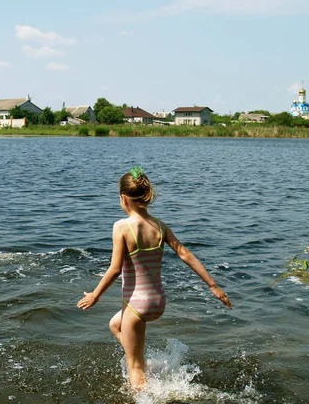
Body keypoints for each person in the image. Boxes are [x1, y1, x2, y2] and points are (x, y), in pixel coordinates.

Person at [77, 166, 232, 390]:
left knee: (134, 368)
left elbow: (114, 270)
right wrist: (214, 286)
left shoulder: (121, 227)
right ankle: (143, 364)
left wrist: (95, 295)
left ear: (123, 199)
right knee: (114, 325)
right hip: (158, 302)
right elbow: (185, 254)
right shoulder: (160, 226)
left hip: (136, 304)